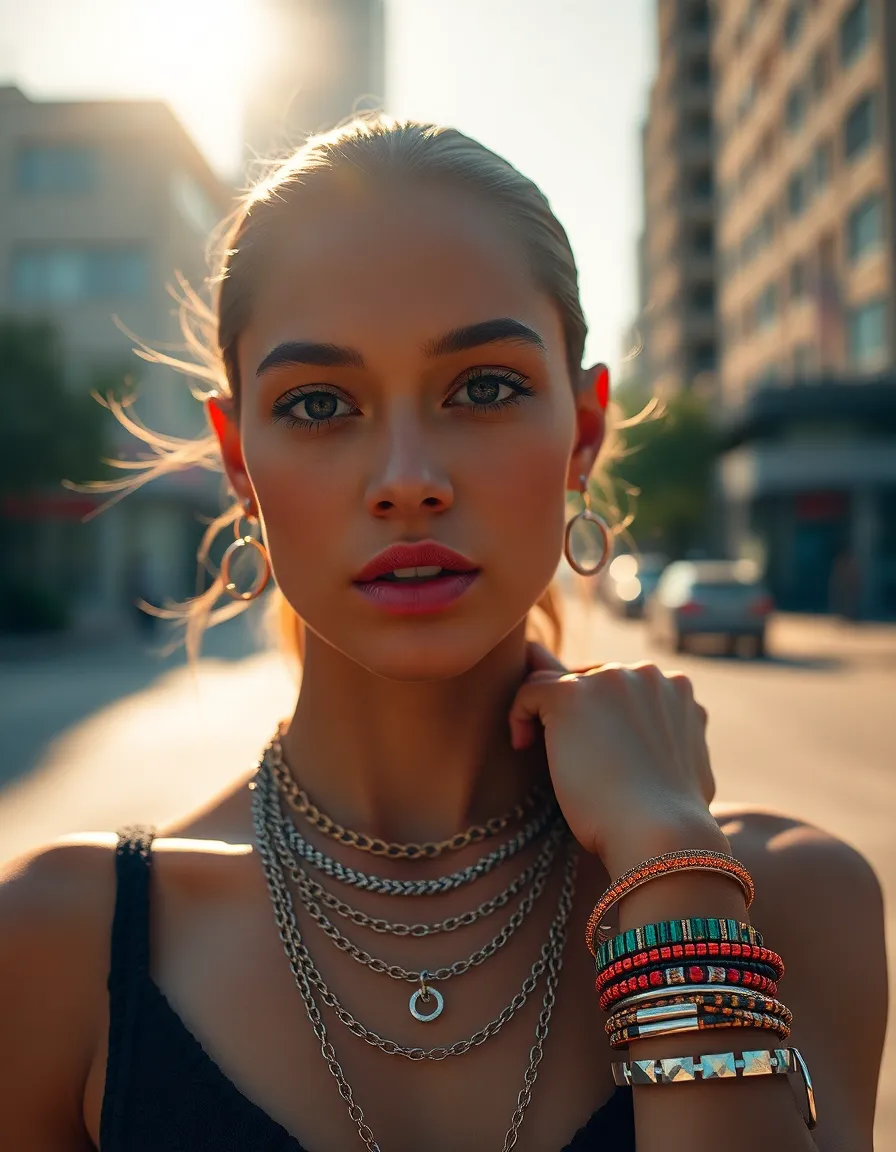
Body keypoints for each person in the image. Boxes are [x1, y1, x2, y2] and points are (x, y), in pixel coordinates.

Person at [0, 118, 887, 1152]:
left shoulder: (788, 899)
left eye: (485, 388)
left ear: (582, 433)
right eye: (320, 403)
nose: (407, 478)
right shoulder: (64, 943)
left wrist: (667, 860)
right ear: (238, 460)